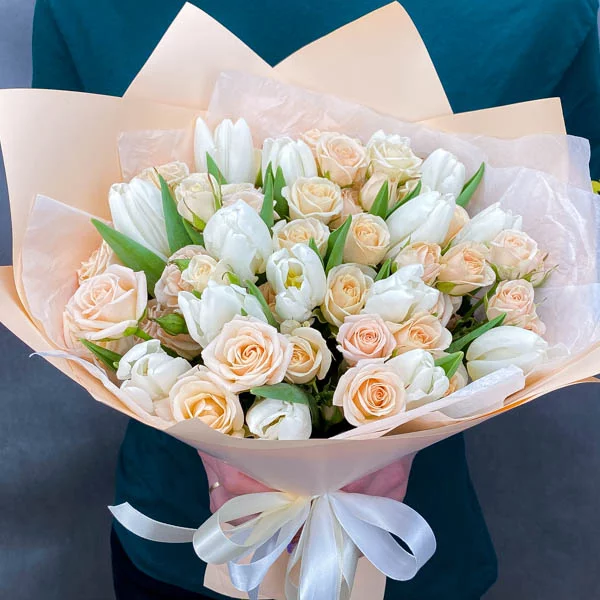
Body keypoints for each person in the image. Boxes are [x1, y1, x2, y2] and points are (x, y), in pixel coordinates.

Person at [31, 1, 600, 598]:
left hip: (383, 534)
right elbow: (67, 250)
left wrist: (398, 423)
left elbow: (576, 227)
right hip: (206, 532)